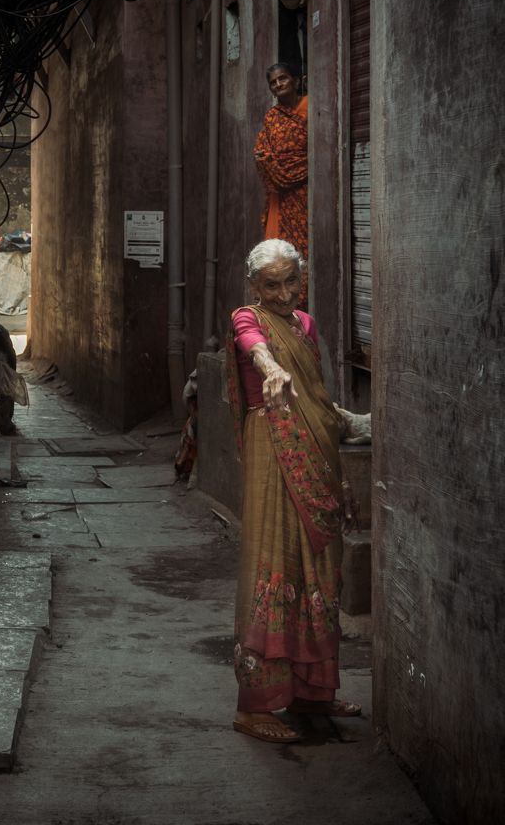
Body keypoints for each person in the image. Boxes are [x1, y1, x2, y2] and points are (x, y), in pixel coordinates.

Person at [225, 239, 360, 743]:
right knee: (275, 559)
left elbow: (318, 395)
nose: (283, 294)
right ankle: (255, 706)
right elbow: (251, 344)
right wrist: (271, 367)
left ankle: (313, 693)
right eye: (271, 285)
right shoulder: (247, 317)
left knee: (318, 568)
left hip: (317, 449)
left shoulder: (305, 325)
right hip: (272, 449)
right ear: (254, 286)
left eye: (290, 282)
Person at [254, 63, 308, 304]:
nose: (278, 84)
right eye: (273, 83)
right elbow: (261, 154)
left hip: (307, 194)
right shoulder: (272, 117)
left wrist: (299, 164)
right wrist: (283, 172)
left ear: (297, 80)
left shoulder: (311, 108)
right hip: (281, 197)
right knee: (280, 255)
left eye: (283, 79)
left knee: (306, 252)